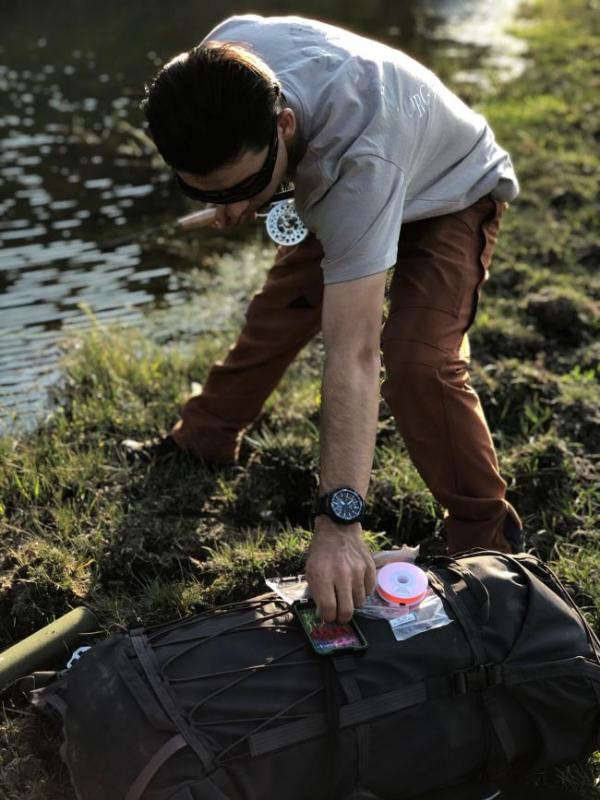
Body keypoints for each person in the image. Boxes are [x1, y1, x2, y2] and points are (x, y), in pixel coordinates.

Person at [140, 14, 523, 625]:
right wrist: (239, 189)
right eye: (206, 195)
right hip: (338, 176)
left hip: (449, 189)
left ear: (283, 124)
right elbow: (247, 176)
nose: (233, 210)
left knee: (418, 359)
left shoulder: (359, 159)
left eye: (240, 188)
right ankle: (203, 439)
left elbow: (353, 353)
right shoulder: (218, 64)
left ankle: (486, 535)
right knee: (278, 312)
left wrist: (340, 523)